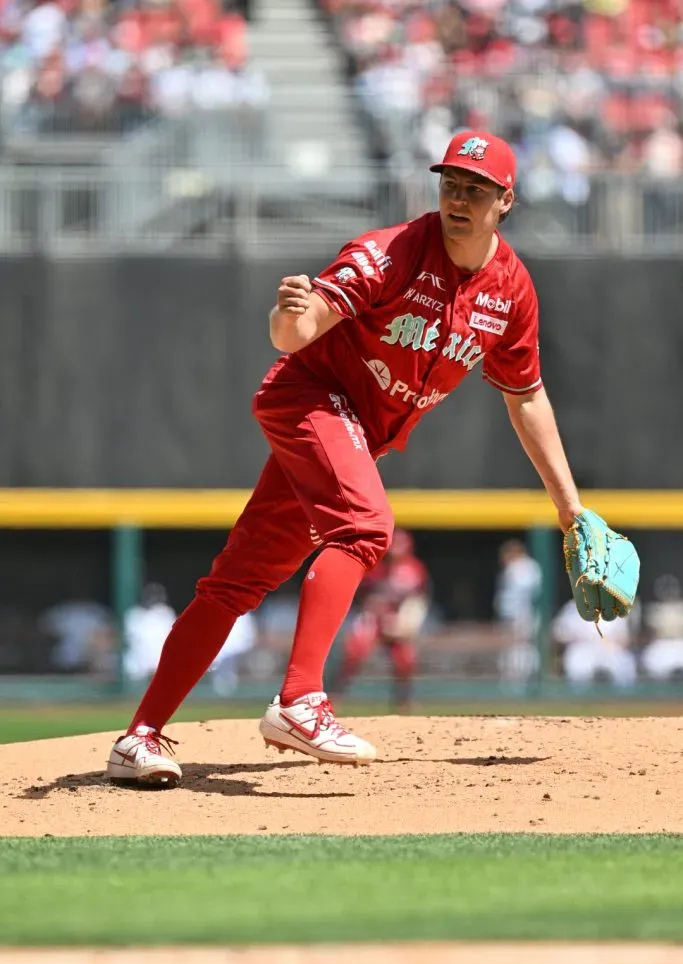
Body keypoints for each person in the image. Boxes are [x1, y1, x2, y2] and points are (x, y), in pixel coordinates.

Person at [107, 129, 585, 787]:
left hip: (353, 430)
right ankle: (300, 699)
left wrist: (571, 510)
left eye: (475, 189)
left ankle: (139, 737)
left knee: (236, 582)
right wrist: (285, 318)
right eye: (450, 184)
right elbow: (296, 332)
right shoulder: (388, 253)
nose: (458, 198)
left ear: (506, 199)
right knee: (363, 529)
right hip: (310, 399)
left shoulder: (510, 291)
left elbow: (526, 397)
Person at [328, 528, 429, 712]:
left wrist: (406, 623)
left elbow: (418, 600)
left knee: (405, 659)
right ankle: (335, 695)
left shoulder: (414, 569)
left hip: (397, 620)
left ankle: (404, 701)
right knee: (354, 651)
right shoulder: (374, 565)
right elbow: (360, 595)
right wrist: (373, 608)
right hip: (373, 618)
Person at [552, 598, 637, 692]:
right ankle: (579, 701)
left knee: (624, 664)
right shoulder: (573, 607)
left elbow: (624, 638)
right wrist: (576, 637)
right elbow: (558, 634)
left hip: (610, 650)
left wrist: (613, 643)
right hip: (583, 650)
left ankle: (622, 700)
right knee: (577, 666)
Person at [493, 539, 542, 686]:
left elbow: (522, 596)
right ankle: (516, 684)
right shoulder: (516, 568)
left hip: (523, 615)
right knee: (514, 649)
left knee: (522, 649)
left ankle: (525, 683)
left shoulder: (524, 567)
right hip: (515, 615)